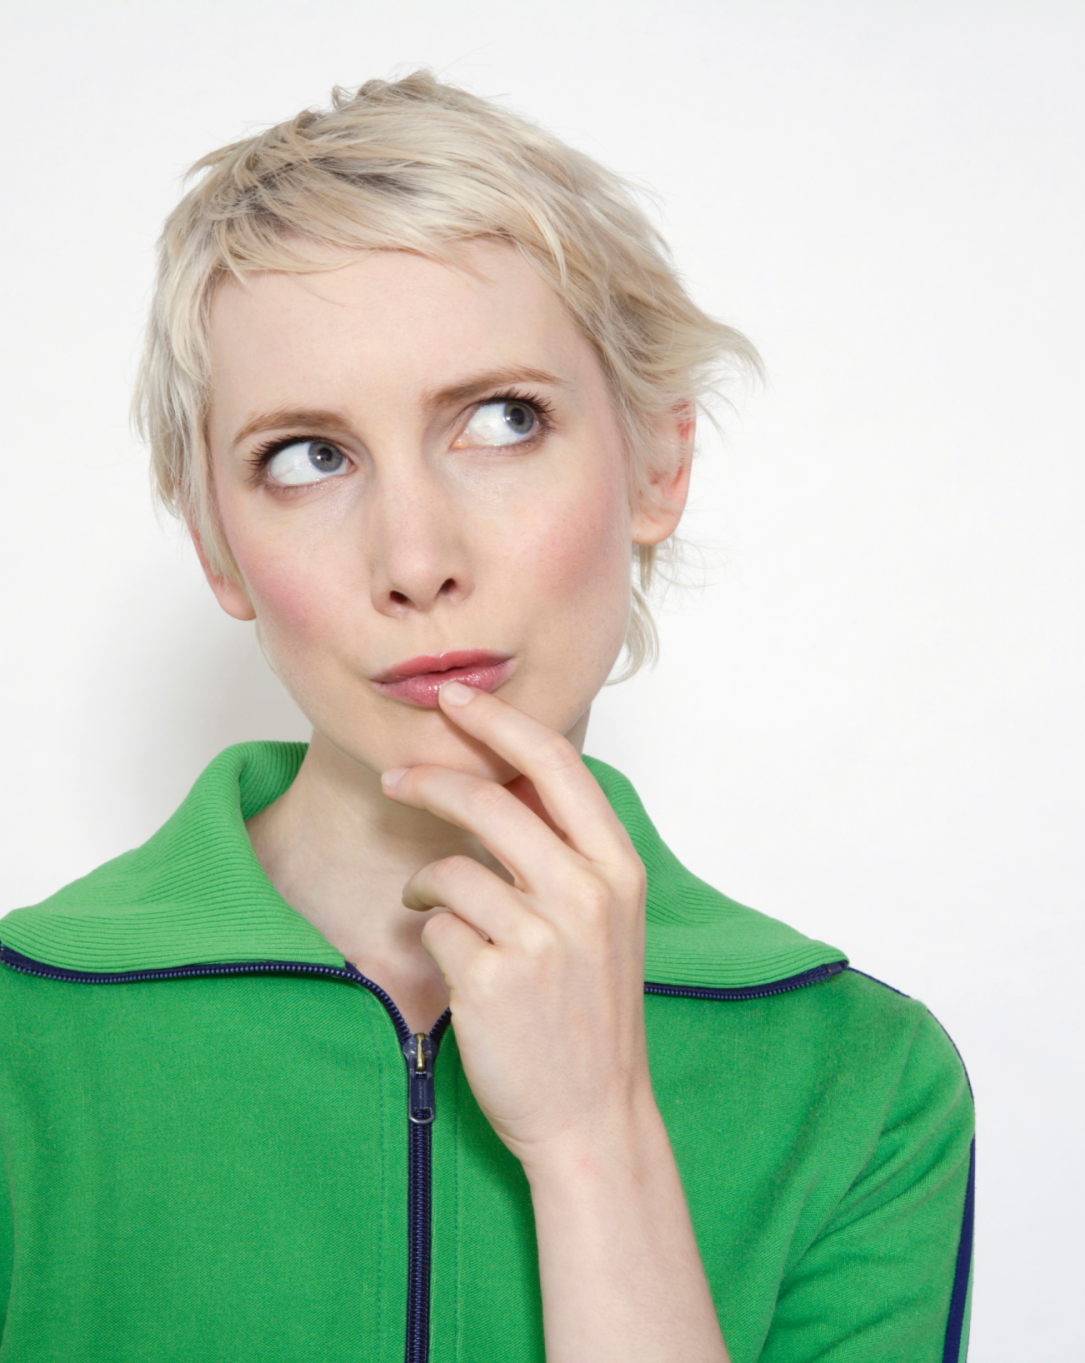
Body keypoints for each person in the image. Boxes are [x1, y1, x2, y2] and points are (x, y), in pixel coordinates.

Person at [0, 72, 974, 1363]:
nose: (416, 560)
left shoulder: (860, 1080)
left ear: (660, 461)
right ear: (217, 547)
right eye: (308, 457)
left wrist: (594, 1139)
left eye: (503, 421)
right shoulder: (20, 1035)